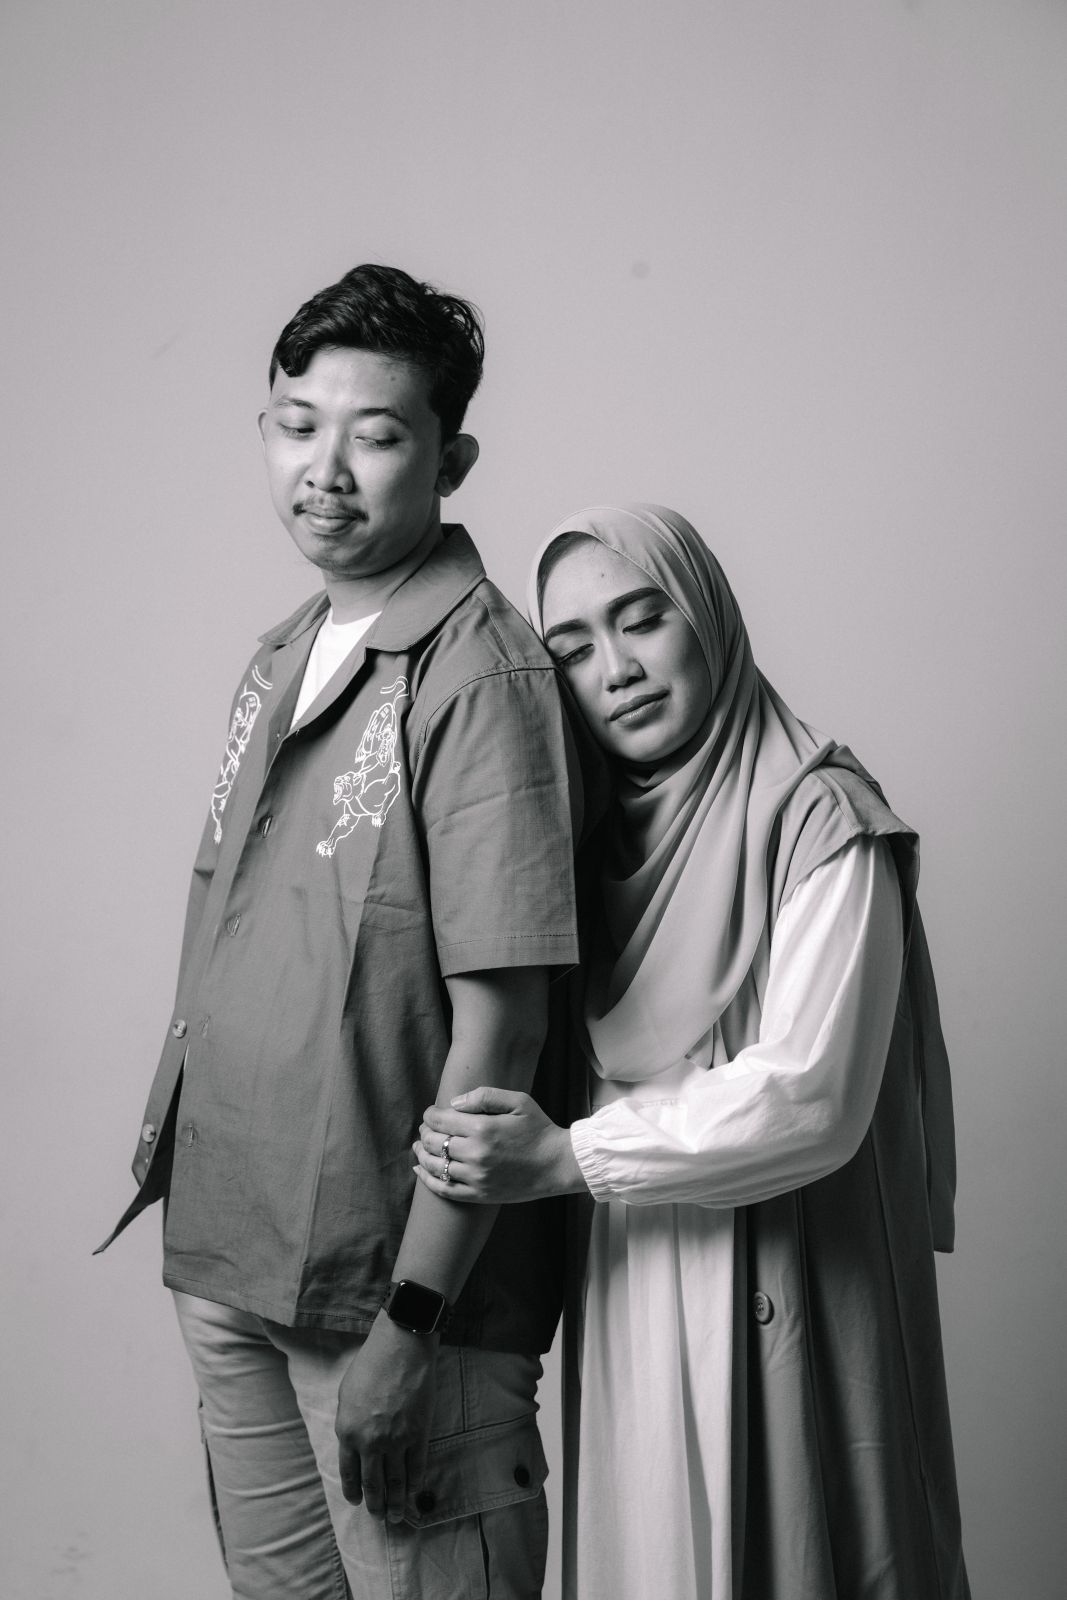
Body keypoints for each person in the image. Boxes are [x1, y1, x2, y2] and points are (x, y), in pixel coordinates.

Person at [97, 264, 591, 1600]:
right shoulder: (284, 651)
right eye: (295, 424)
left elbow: (502, 1030)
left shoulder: (479, 673)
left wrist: (411, 1322)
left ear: (448, 460)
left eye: (373, 435)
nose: (325, 468)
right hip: (231, 1252)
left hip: (391, 1300)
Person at [414, 504, 971, 1600]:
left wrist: (565, 1158)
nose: (614, 670)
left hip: (786, 1282)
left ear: (706, 616)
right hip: (631, 1281)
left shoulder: (820, 818)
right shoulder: (584, 846)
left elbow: (809, 1100)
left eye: (641, 620)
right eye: (572, 648)